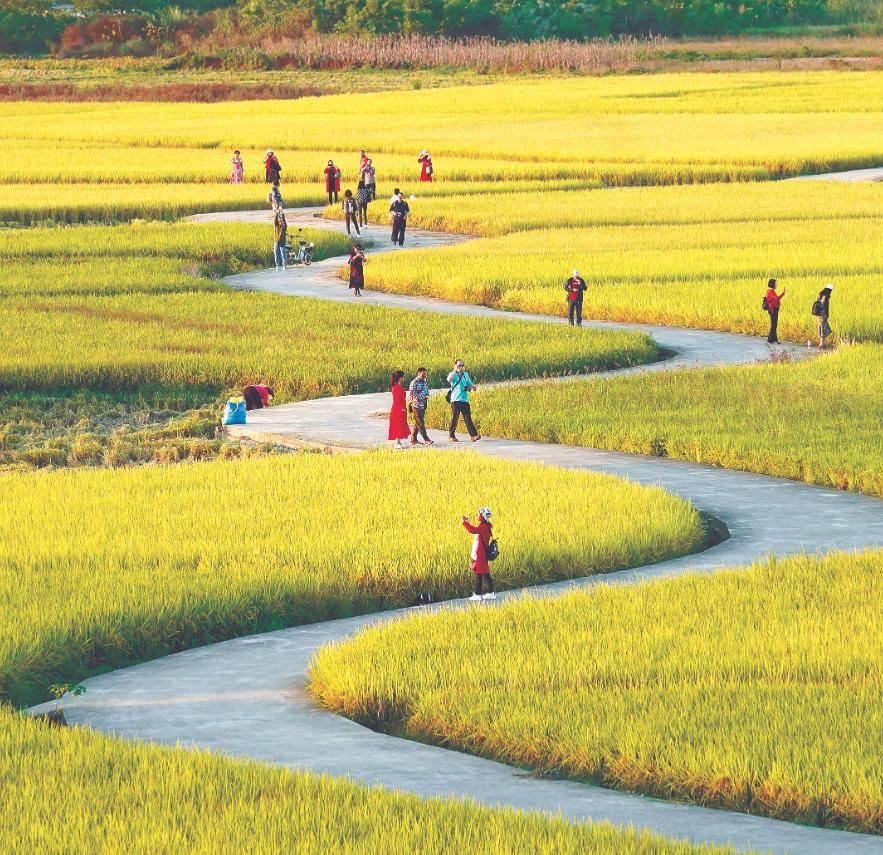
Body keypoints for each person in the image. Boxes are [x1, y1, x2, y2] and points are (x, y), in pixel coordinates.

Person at [462, 508, 494, 601]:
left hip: (481, 554)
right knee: (485, 573)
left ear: (483, 516)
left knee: (479, 573)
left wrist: (465, 522)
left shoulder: (483, 526)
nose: (478, 515)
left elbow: (472, 530)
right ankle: (491, 593)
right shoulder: (486, 525)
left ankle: (477, 594)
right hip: (483, 553)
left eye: (480, 513)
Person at [447, 359, 480, 442]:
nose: (461, 367)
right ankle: (451, 436)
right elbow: (449, 379)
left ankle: (473, 435)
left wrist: (472, 387)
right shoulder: (453, 374)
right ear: (455, 366)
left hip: (464, 399)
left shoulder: (465, 374)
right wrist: (455, 370)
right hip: (456, 400)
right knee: (455, 418)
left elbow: (469, 384)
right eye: (459, 365)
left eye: (462, 365)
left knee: (468, 418)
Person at [408, 367, 433, 447]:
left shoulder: (424, 382)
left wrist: (427, 396)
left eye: (425, 374)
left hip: (423, 405)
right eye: (423, 374)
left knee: (418, 422)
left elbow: (427, 391)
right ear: (419, 373)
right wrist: (422, 397)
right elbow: (412, 393)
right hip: (416, 405)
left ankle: (413, 440)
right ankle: (426, 439)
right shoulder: (414, 382)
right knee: (421, 423)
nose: (424, 375)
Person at [388, 371, 410, 450]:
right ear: (400, 378)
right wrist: (402, 408)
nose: (403, 378)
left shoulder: (397, 386)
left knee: (401, 424)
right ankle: (397, 442)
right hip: (398, 408)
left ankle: (399, 442)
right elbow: (397, 400)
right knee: (398, 425)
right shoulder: (397, 387)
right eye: (402, 377)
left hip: (399, 408)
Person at [764, 278, 786, 344]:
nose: (776, 285)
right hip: (773, 309)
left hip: (774, 309)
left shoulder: (770, 291)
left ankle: (775, 340)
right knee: (773, 325)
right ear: (772, 284)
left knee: (774, 325)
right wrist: (783, 293)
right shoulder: (771, 291)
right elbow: (776, 299)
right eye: (775, 284)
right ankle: (769, 340)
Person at [816, 283, 834, 349]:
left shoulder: (820, 294)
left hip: (818, 314)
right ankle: (821, 344)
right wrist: (825, 313)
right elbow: (822, 303)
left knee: (822, 327)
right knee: (824, 328)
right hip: (822, 314)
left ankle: (821, 343)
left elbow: (818, 302)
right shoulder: (825, 295)